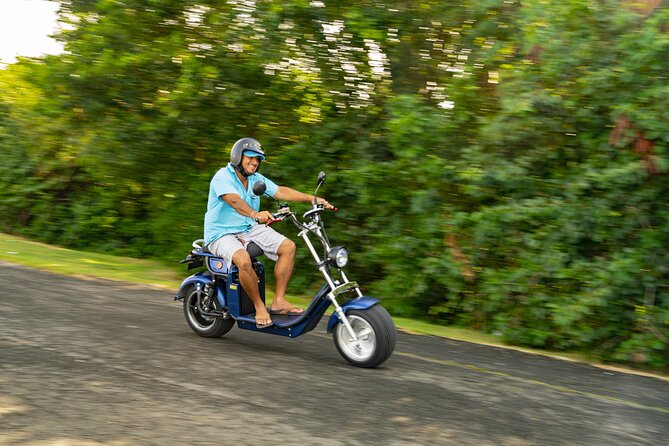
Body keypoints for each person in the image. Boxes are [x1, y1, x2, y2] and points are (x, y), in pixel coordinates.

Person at [204, 137, 334, 328]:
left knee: (288, 247)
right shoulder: (223, 176)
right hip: (221, 233)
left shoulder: (256, 179)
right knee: (243, 259)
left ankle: (279, 301)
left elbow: (280, 191)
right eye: (251, 158)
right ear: (238, 156)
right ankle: (259, 307)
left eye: (258, 160)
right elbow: (233, 200)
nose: (255, 163)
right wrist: (254, 213)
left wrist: (312, 199)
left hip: (248, 228)